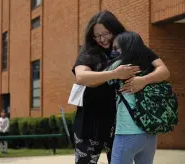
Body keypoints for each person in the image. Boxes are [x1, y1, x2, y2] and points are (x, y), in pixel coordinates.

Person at [72, 10, 170, 164]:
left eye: (106, 33)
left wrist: (144, 80)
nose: (102, 39)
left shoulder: (132, 46)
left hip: (120, 126)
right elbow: (82, 77)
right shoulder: (89, 53)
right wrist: (114, 74)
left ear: (115, 29)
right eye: (97, 36)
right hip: (90, 124)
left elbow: (164, 71)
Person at [105, 31, 170, 164]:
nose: (114, 51)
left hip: (127, 132)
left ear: (126, 47)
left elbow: (104, 79)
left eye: (117, 48)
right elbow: (165, 71)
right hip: (149, 133)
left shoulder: (120, 66)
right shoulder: (151, 67)